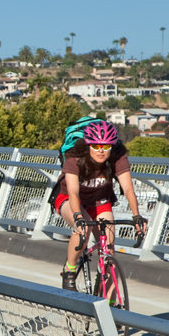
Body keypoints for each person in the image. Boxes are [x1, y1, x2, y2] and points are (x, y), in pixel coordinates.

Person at [51, 119, 147, 292]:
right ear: (88, 145)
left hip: (100, 200)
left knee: (109, 250)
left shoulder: (118, 156)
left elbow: (128, 188)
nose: (101, 151)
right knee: (83, 228)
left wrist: (137, 216)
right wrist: (78, 217)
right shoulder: (75, 157)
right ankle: (70, 270)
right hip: (70, 199)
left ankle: (109, 304)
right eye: (96, 146)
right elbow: (72, 192)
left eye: (106, 147)